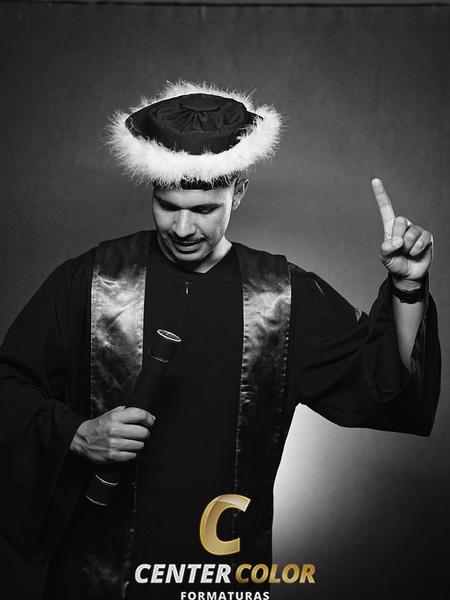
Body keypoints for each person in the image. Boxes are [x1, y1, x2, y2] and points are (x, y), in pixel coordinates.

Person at [0, 81, 441, 600]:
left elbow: (386, 386)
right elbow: (8, 387)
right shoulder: (93, 280)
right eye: (167, 206)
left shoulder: (282, 297)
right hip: (96, 576)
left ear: (239, 192)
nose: (182, 228)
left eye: (205, 209)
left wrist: (407, 287)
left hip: (221, 577)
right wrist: (77, 434)